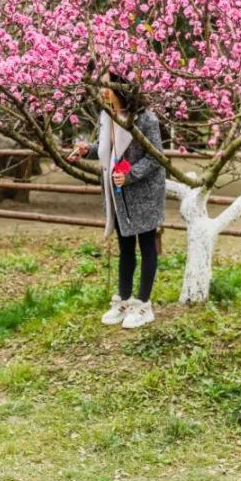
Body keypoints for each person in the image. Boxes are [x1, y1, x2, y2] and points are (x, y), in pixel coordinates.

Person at [68, 71, 166, 329]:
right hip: (119, 195)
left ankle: (143, 304)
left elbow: (157, 157)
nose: (102, 91)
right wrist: (86, 150)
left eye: (106, 86)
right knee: (125, 248)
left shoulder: (146, 119)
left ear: (120, 88)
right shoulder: (107, 116)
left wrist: (131, 174)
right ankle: (123, 300)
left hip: (144, 193)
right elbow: (107, 148)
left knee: (146, 246)